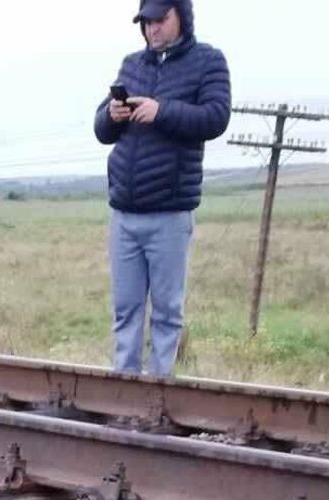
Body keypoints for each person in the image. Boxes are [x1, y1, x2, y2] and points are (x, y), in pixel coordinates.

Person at [94, 0, 230, 377]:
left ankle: (160, 393)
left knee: (167, 311)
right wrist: (112, 115)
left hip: (170, 213)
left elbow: (216, 117)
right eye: (146, 22)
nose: (152, 28)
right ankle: (125, 388)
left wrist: (162, 110)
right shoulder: (132, 65)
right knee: (126, 309)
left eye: (160, 20)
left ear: (181, 17)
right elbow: (101, 130)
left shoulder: (208, 61)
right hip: (124, 212)